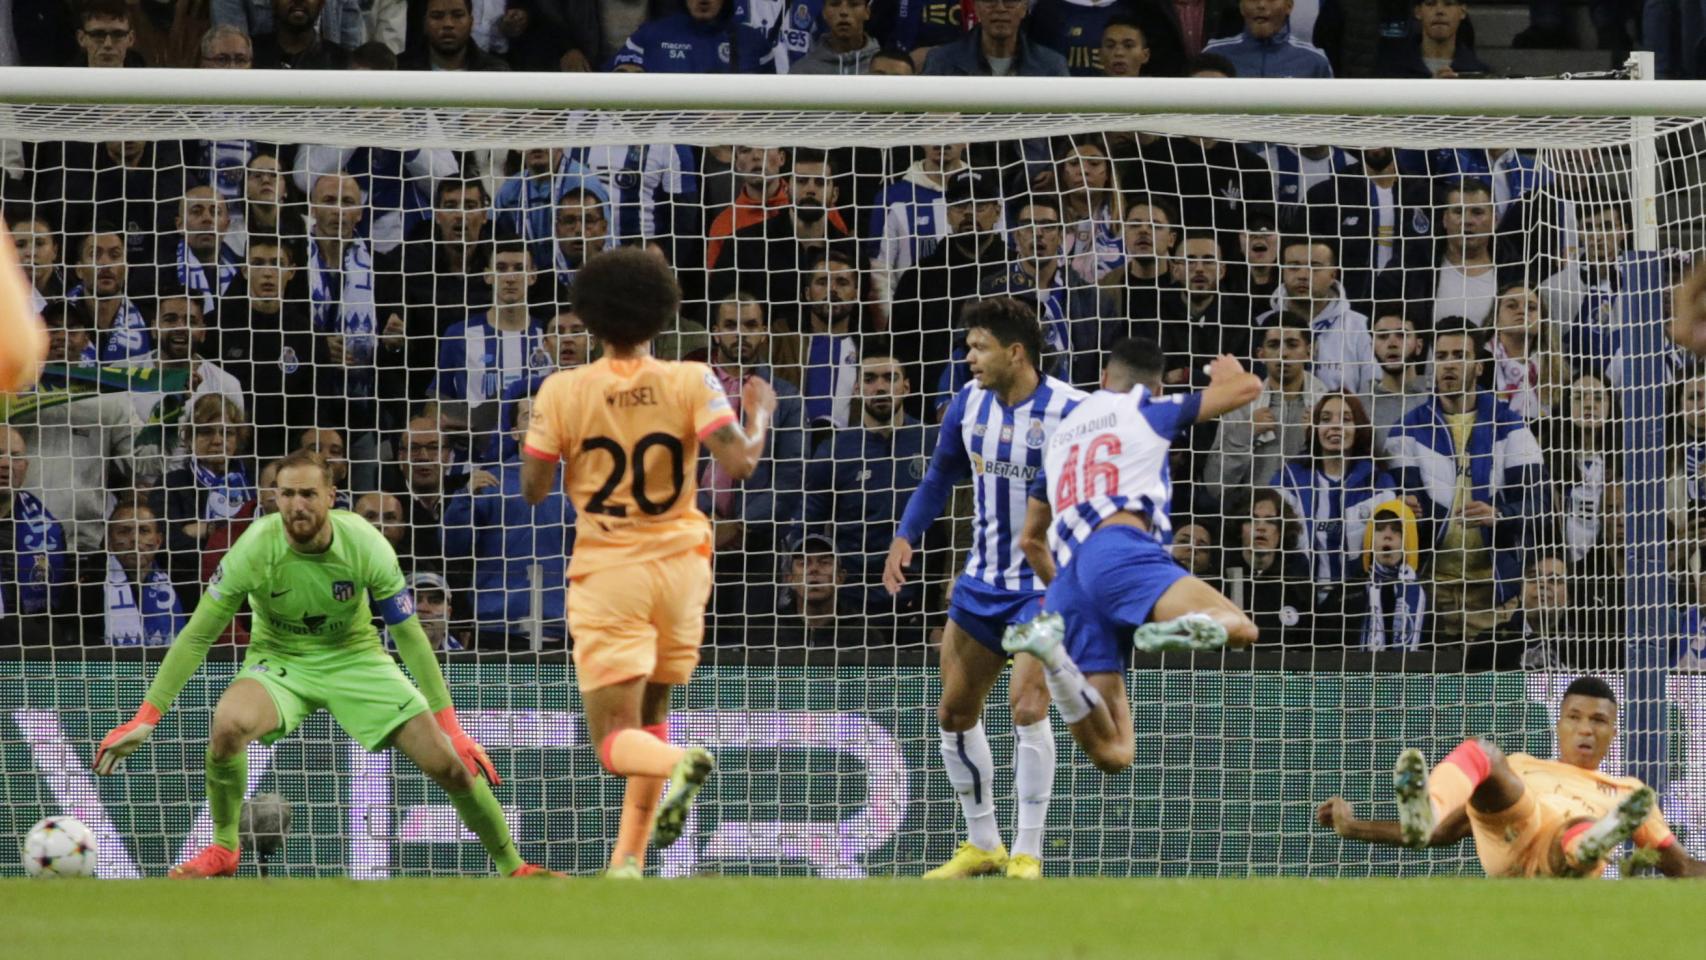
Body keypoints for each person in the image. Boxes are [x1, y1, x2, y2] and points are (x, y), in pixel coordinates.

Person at [93, 449, 555, 878]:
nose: (297, 505)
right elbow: (197, 634)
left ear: (331, 497)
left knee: (452, 766)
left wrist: (451, 727)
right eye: (287, 494)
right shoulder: (254, 548)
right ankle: (225, 847)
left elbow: (409, 636)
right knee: (227, 725)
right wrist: (147, 715)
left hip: (356, 658)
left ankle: (514, 866)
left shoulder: (365, 544)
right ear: (275, 498)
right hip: (281, 660)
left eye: (308, 494)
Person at [519, 247, 776, 877]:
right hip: (685, 566)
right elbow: (740, 462)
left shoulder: (563, 389)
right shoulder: (691, 378)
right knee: (653, 717)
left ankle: (681, 765)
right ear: (663, 313)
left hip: (611, 571)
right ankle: (627, 861)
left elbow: (533, 488)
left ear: (587, 317)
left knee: (614, 741)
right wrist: (761, 409)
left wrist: (544, 432)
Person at [883, 298, 1087, 881]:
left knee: (1027, 705)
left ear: (1015, 352)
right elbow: (942, 472)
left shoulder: (1073, 412)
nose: (968, 357)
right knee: (953, 712)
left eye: (979, 347)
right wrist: (906, 535)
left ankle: (1028, 851)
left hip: (1044, 585)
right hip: (981, 582)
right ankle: (983, 843)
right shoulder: (968, 403)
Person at [1003, 338, 1261, 777]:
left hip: (1069, 580)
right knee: (1242, 629)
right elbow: (1248, 389)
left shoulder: (1062, 436)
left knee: (1114, 753)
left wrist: (1072, 597)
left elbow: (1030, 540)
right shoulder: (1145, 409)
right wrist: (1229, 376)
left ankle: (1057, 661)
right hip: (1119, 550)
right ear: (1154, 388)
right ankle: (1185, 626)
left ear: (1103, 378)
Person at [1315, 677, 1706, 878]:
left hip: (1561, 859)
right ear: (1559, 725)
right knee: (1483, 754)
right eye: (1574, 718)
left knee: (1576, 830)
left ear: (1613, 733)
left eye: (1598, 721)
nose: (1585, 729)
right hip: (1512, 834)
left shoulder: (1630, 791)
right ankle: (1428, 806)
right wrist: (1354, 827)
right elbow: (1444, 836)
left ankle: (1585, 843)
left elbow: (1683, 868)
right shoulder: (1524, 765)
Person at [1387, 317, 1546, 646]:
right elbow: (1397, 506)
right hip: (1430, 591)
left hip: (1493, 590)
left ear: (1478, 366)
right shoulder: (1406, 431)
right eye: (1441, 356)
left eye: (1460, 355)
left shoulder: (1511, 426)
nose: (1449, 364)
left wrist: (1498, 514)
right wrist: (1408, 510)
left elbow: (1540, 504)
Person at [804, 345, 933, 610]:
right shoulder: (835, 449)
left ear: (906, 388)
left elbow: (956, 526)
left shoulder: (934, 442)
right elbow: (810, 527)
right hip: (850, 602)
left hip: (920, 600)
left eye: (890, 378)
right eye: (870, 379)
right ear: (856, 389)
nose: (880, 387)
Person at [1276, 393, 1398, 637]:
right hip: (1298, 608)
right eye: (1326, 418)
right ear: (1315, 428)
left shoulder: (1379, 483)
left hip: (1360, 609)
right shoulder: (1286, 481)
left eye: (1346, 418)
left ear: (1358, 428)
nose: (1335, 426)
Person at [0, 426, 69, 640]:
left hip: (30, 643)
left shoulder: (49, 527)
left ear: (26, 466)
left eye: (15, 457)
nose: (5, 464)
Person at [91, 500, 189, 647]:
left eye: (144, 531)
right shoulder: (90, 588)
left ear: (158, 541)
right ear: (109, 543)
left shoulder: (184, 584)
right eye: (124, 531)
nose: (134, 539)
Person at [611, 0, 778, 73]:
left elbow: (772, 110)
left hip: (733, 141)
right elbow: (610, 84)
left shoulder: (754, 43)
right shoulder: (650, 37)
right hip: (665, 142)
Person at [1352, 499, 1428, 652]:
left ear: (1409, 540)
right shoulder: (1349, 593)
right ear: (1369, 539)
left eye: (1396, 530)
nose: (1387, 536)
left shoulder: (1425, 597)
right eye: (1379, 529)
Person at [921, 0, 1071, 76]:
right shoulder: (941, 64)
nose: (1000, 8)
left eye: (1010, 1)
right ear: (976, 7)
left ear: (1025, 8)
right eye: (990, 0)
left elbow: (1067, 134)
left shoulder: (1052, 67)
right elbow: (916, 129)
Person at [1202, 0, 1333, 78]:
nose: (1261, 5)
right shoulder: (1214, 55)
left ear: (1289, 6)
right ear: (1241, 7)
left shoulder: (1315, 61)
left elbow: (1331, 119)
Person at [1381, 0, 1492, 79]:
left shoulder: (1480, 74)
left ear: (1462, 12)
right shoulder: (1392, 71)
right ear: (1418, 12)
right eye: (1430, 4)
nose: (1439, 11)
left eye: (1448, 4)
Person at [0, 215, 48, 394]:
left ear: (56, 250)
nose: (31, 252)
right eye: (20, 245)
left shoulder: (75, 296)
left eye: (40, 243)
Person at [404, 0, 511, 70]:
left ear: (471, 22)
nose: (448, 24)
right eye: (437, 16)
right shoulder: (401, 69)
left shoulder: (496, 71)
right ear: (424, 24)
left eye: (457, 15)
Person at [792, 0, 881, 73]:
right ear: (824, 12)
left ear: (867, 12)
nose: (844, 12)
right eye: (835, 4)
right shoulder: (802, 71)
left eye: (853, 4)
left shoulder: (884, 68)